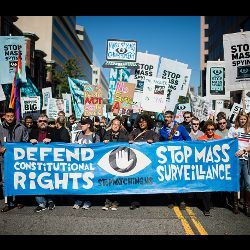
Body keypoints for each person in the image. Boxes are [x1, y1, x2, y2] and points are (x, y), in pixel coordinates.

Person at [160, 110, 191, 210]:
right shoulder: (162, 130)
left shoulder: (180, 127)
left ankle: (182, 200)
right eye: (165, 117)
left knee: (181, 179)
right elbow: (160, 143)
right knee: (169, 179)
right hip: (168, 159)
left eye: (168, 117)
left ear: (173, 118)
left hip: (180, 158)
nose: (166, 119)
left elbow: (189, 140)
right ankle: (171, 200)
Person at [0, 108, 29, 212]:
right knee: (5, 180)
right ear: (4, 117)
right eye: (8, 116)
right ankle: (7, 202)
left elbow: (26, 142)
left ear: (14, 116)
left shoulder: (21, 128)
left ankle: (19, 200)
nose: (10, 118)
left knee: (19, 178)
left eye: (11, 116)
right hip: (5, 159)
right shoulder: (0, 128)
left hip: (19, 159)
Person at [128, 114, 159, 209]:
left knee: (146, 180)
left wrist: (153, 141)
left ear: (148, 122)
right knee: (137, 179)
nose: (142, 123)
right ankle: (135, 200)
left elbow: (157, 141)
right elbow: (129, 138)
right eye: (140, 122)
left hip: (148, 161)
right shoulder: (135, 131)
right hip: (136, 161)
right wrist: (130, 140)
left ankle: (146, 197)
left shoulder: (152, 133)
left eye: (144, 121)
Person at [29, 114, 57, 213]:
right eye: (40, 121)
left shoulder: (53, 131)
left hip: (50, 162)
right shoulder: (33, 131)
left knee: (50, 181)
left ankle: (50, 201)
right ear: (37, 123)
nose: (42, 123)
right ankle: (41, 203)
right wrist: (30, 141)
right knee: (36, 181)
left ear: (47, 122)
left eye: (44, 121)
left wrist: (52, 141)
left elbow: (61, 143)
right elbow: (24, 145)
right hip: (36, 163)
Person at [102, 117, 129, 211]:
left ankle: (116, 202)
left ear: (120, 126)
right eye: (114, 124)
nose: (116, 126)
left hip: (119, 161)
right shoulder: (106, 134)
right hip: (108, 162)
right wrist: (104, 143)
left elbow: (127, 146)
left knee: (118, 182)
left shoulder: (124, 135)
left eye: (118, 124)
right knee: (109, 182)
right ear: (111, 125)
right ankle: (107, 202)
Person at [73, 117, 100, 209]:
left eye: (83, 124)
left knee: (88, 182)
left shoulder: (95, 136)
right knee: (80, 181)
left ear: (88, 125)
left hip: (90, 163)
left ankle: (88, 200)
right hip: (79, 163)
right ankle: (79, 200)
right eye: (81, 124)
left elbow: (99, 150)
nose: (81, 125)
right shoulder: (78, 134)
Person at [198, 120, 222, 216]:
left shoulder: (219, 138)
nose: (210, 131)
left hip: (215, 166)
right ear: (205, 130)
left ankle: (210, 203)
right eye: (208, 129)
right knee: (206, 187)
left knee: (214, 186)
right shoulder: (200, 139)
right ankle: (206, 208)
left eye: (212, 129)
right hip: (204, 166)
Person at [228, 111, 250, 216]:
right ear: (238, 119)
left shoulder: (249, 130)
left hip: (246, 160)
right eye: (241, 119)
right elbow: (227, 143)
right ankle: (235, 204)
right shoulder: (233, 129)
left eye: (244, 119)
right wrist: (233, 139)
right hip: (235, 159)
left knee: (248, 183)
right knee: (236, 182)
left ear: (247, 120)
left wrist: (244, 150)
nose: (242, 121)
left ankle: (246, 206)